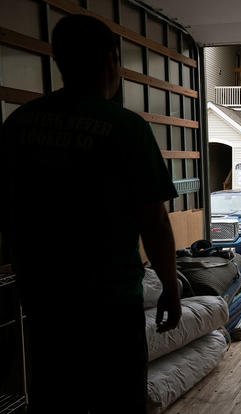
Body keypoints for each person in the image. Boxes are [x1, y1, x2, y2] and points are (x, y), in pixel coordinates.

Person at [0, 15, 181, 413]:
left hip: (44, 302)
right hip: (110, 304)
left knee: (55, 397)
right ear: (111, 61)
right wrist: (170, 284)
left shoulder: (18, 124)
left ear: (58, 60)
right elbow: (154, 219)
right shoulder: (125, 127)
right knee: (116, 399)